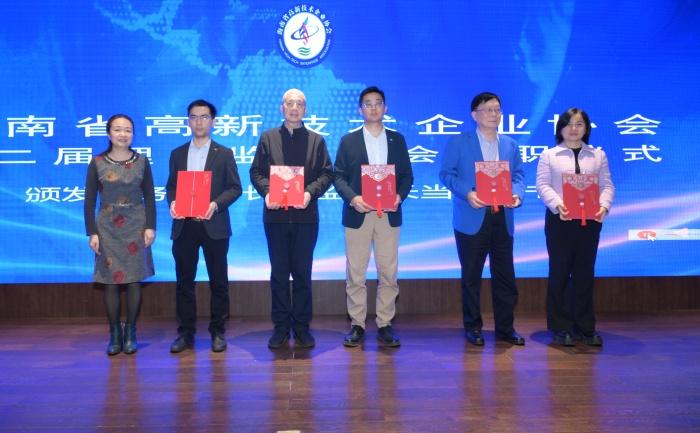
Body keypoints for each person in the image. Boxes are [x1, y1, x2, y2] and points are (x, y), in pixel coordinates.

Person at [439, 91, 526, 346]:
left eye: (497, 109)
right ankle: (473, 327)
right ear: (474, 115)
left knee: (505, 275)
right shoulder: (459, 142)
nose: (494, 114)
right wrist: (468, 193)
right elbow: (446, 174)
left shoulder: (510, 145)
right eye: (488, 109)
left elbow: (519, 176)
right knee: (471, 276)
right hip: (472, 216)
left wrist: (517, 194)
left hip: (502, 218)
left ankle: (506, 328)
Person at [250, 89, 333, 349]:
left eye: (299, 104)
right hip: (275, 217)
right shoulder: (268, 138)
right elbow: (256, 172)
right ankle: (281, 328)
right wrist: (267, 192)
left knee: (302, 274)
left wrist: (309, 192)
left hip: (305, 217)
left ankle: (302, 327)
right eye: (289, 103)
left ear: (305, 109)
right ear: (281, 108)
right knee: (278, 274)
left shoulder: (316, 141)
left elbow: (327, 174)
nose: (294, 108)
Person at [334, 86, 414, 348]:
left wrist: (398, 196)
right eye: (367, 104)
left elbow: (407, 176)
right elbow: (338, 176)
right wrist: (353, 198)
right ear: (360, 110)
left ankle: (385, 323)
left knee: (388, 272)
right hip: (358, 213)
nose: (373, 108)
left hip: (388, 214)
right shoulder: (349, 140)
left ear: (385, 108)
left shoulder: (397, 140)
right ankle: (357, 324)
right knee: (356, 272)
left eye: (378, 103)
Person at [166, 99, 242, 353]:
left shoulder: (224, 153)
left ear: (213, 122)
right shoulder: (177, 154)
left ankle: (218, 332)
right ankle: (185, 333)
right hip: (184, 226)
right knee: (184, 282)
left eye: (204, 117)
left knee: (218, 281)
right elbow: (171, 187)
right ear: (188, 121)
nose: (199, 122)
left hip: (214, 225)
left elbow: (235, 188)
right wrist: (173, 202)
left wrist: (215, 204)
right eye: (194, 117)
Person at [536, 108, 614, 347]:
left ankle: (585, 327)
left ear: (586, 128)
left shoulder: (597, 155)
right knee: (559, 272)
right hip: (560, 220)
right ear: (560, 127)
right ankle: (561, 327)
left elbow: (607, 185)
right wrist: (558, 204)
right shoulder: (549, 155)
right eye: (568, 124)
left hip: (590, 222)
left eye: (579, 124)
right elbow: (542, 185)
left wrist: (604, 206)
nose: (573, 128)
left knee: (584, 273)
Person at [84, 114, 156, 356]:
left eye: (127, 130)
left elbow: (150, 197)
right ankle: (115, 333)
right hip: (107, 228)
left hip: (136, 224)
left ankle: (131, 331)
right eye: (117, 129)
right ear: (108, 133)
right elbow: (89, 201)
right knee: (110, 283)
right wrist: (92, 232)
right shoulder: (97, 162)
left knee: (134, 280)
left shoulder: (142, 161)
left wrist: (150, 226)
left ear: (133, 134)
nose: (123, 134)